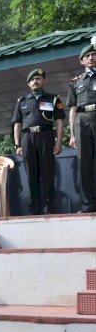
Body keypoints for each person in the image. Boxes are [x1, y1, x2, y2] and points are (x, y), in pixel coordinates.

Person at [12, 68, 65, 215]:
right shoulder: (22, 101)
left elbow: (59, 121)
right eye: (32, 79)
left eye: (38, 78)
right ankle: (35, 210)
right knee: (31, 175)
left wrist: (59, 142)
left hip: (46, 136)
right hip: (27, 138)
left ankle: (50, 209)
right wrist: (17, 144)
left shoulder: (53, 98)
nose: (35, 81)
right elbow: (17, 123)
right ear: (29, 83)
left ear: (44, 81)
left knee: (48, 173)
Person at [68, 39, 96, 213]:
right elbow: (72, 109)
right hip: (82, 120)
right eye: (88, 56)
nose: (91, 58)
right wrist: (71, 134)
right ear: (82, 60)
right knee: (84, 163)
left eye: (94, 55)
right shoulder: (75, 83)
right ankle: (88, 204)